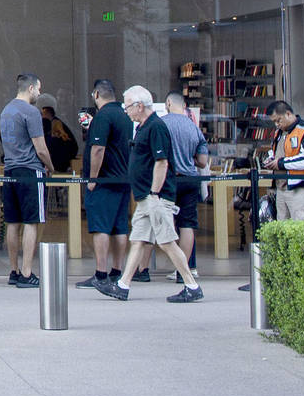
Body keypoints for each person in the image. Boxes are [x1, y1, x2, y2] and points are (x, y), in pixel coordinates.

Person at [96, 85, 203, 303]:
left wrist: (155, 193)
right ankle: (123, 285)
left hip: (156, 197)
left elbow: (161, 162)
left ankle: (191, 285)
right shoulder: (144, 127)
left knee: (166, 242)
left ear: (139, 105)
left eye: (128, 107)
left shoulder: (156, 127)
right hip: (146, 197)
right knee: (138, 240)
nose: (126, 111)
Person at [75, 79, 133, 293]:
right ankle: (117, 271)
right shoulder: (125, 116)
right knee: (120, 227)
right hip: (122, 178)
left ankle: (101, 273)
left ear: (97, 95)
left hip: (104, 181)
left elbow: (98, 149)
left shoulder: (103, 116)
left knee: (100, 226)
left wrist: (92, 179)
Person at [0, 73, 55, 288]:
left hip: (10, 169)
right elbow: (40, 148)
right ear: (30, 88)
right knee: (31, 222)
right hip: (30, 170)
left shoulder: (6, 111)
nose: (39, 93)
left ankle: (13, 270)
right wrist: (50, 167)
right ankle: (27, 271)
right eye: (38, 89)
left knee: (12, 222)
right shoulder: (31, 112)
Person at [158, 92, 209, 280]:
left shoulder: (162, 124)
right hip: (190, 179)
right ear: (185, 105)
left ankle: (176, 265)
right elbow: (203, 161)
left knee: (168, 224)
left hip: (169, 179)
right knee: (187, 224)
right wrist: (189, 159)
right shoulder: (194, 127)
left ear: (168, 103)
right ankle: (183, 271)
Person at [263, 100, 304, 221]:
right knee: (282, 231)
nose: (276, 124)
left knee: (303, 228)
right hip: (281, 188)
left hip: (300, 188)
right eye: (274, 122)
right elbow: (278, 153)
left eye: (278, 120)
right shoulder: (279, 133)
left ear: (288, 114)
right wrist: (271, 160)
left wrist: (280, 163)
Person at [37, 94, 79, 173]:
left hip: (59, 164)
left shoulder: (55, 125)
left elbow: (51, 145)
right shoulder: (54, 124)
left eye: (42, 113)